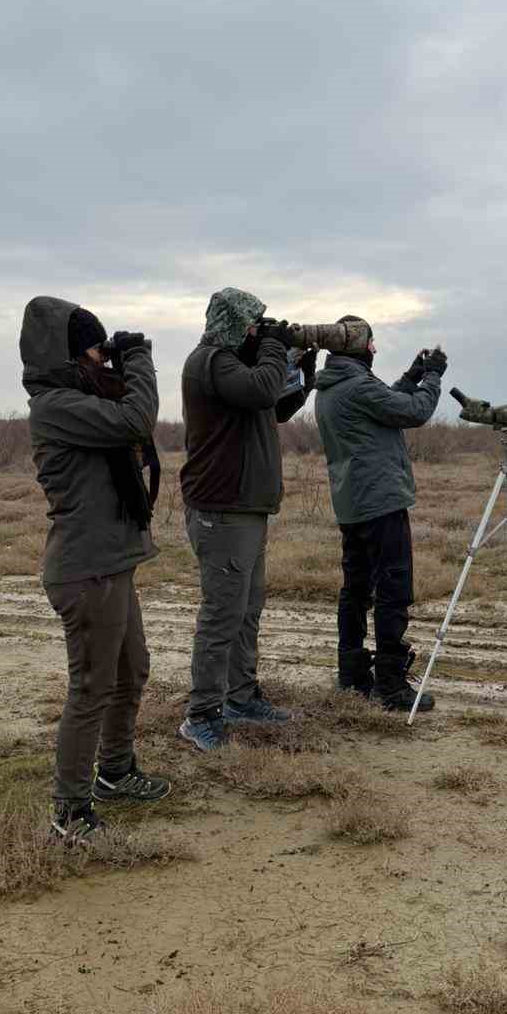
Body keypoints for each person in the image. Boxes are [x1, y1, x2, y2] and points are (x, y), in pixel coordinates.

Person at [20, 296, 171, 842]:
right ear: (65, 354)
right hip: (86, 571)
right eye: (94, 348)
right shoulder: (55, 405)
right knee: (91, 687)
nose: (102, 359)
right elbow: (136, 418)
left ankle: (115, 771)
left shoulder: (79, 397)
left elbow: (126, 425)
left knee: (131, 671)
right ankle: (70, 809)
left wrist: (121, 364)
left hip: (111, 562)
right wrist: (141, 360)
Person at [178, 287, 315, 750]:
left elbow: (274, 405)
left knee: (247, 611)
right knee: (222, 615)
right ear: (234, 324)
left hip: (246, 509)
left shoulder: (236, 367)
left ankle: (240, 697)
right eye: (255, 325)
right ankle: (201, 714)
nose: (260, 331)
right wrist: (276, 347)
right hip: (222, 510)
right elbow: (259, 389)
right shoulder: (212, 361)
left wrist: (303, 370)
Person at [313, 318, 446, 711]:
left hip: (353, 503)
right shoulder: (357, 386)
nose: (374, 349)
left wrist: (412, 374)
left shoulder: (333, 387)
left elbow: (385, 402)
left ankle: (352, 674)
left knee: (355, 590)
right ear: (359, 347)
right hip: (381, 503)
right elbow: (413, 411)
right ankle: (391, 684)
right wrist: (434, 377)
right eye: (371, 343)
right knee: (394, 588)